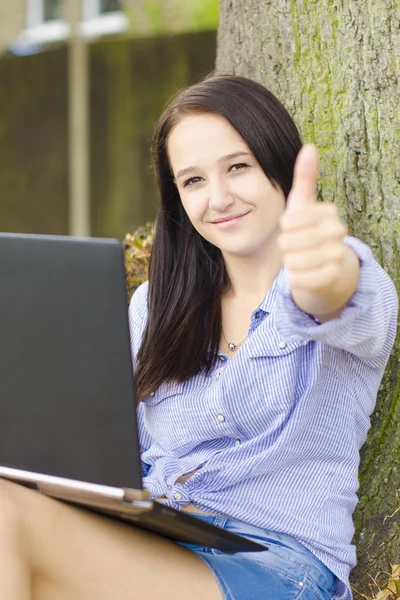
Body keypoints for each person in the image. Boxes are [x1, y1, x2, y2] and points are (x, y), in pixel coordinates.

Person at [0, 74, 397, 600]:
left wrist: (321, 272)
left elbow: (337, 296)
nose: (219, 197)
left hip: (279, 566)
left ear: (278, 164)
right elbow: (116, 451)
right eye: (193, 181)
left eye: (238, 167)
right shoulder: (156, 307)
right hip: (159, 537)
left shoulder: (336, 281)